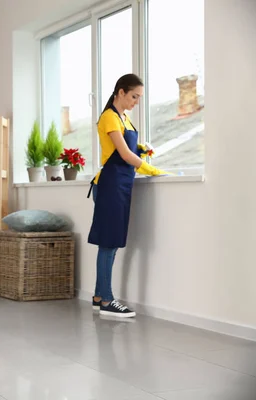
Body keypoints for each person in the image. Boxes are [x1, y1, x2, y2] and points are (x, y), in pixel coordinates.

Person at [87, 73, 170, 318]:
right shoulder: (109, 117)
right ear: (121, 92)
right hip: (111, 185)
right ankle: (107, 301)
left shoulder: (125, 119)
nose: (136, 101)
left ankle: (98, 296)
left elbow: (129, 148)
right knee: (109, 243)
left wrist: (142, 150)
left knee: (111, 243)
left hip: (121, 186)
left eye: (139, 97)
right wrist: (152, 169)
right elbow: (123, 155)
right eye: (134, 96)